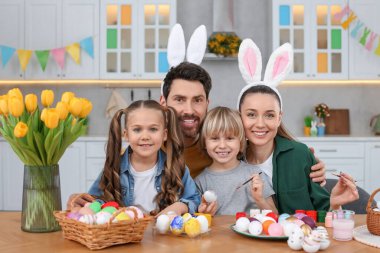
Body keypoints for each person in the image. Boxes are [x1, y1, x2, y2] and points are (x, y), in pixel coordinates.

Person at [236, 39, 359, 214]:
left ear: (279, 118)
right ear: (239, 116)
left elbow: (323, 212)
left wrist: (335, 205)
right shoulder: (230, 158)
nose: (260, 124)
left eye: (270, 115)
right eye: (251, 114)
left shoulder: (300, 155)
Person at [159, 62, 327, 184]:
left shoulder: (220, 143)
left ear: (207, 103)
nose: (189, 110)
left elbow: (262, 148)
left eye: (197, 100)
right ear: (163, 102)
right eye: (179, 99)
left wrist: (305, 162)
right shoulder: (148, 146)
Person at [69, 100, 200, 215]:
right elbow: (95, 201)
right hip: (126, 237)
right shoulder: (114, 167)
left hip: (164, 237)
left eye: (153, 129)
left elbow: (194, 198)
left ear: (164, 134)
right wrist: (83, 205)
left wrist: (179, 206)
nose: (145, 136)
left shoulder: (177, 167)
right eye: (137, 130)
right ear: (126, 135)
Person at [195, 106, 277, 215]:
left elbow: (275, 216)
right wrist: (204, 214)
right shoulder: (200, 182)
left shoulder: (255, 175)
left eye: (229, 138)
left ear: (241, 141)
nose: (222, 145)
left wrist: (259, 199)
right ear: (205, 142)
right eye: (214, 138)